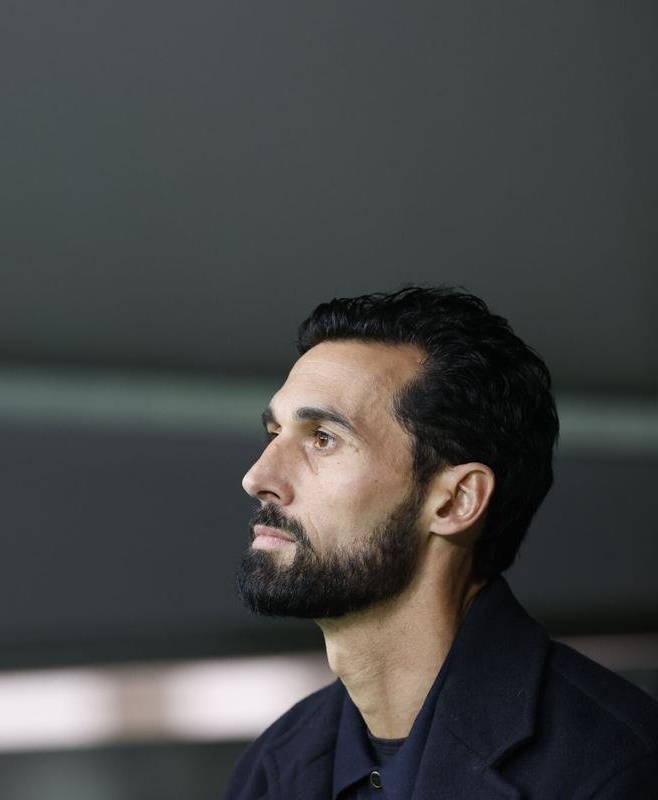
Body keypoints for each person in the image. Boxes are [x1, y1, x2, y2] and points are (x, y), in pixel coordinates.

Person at [223, 287, 658, 799]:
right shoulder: (272, 768)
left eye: (324, 438)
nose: (258, 477)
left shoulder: (616, 771)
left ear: (455, 501)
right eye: (274, 433)